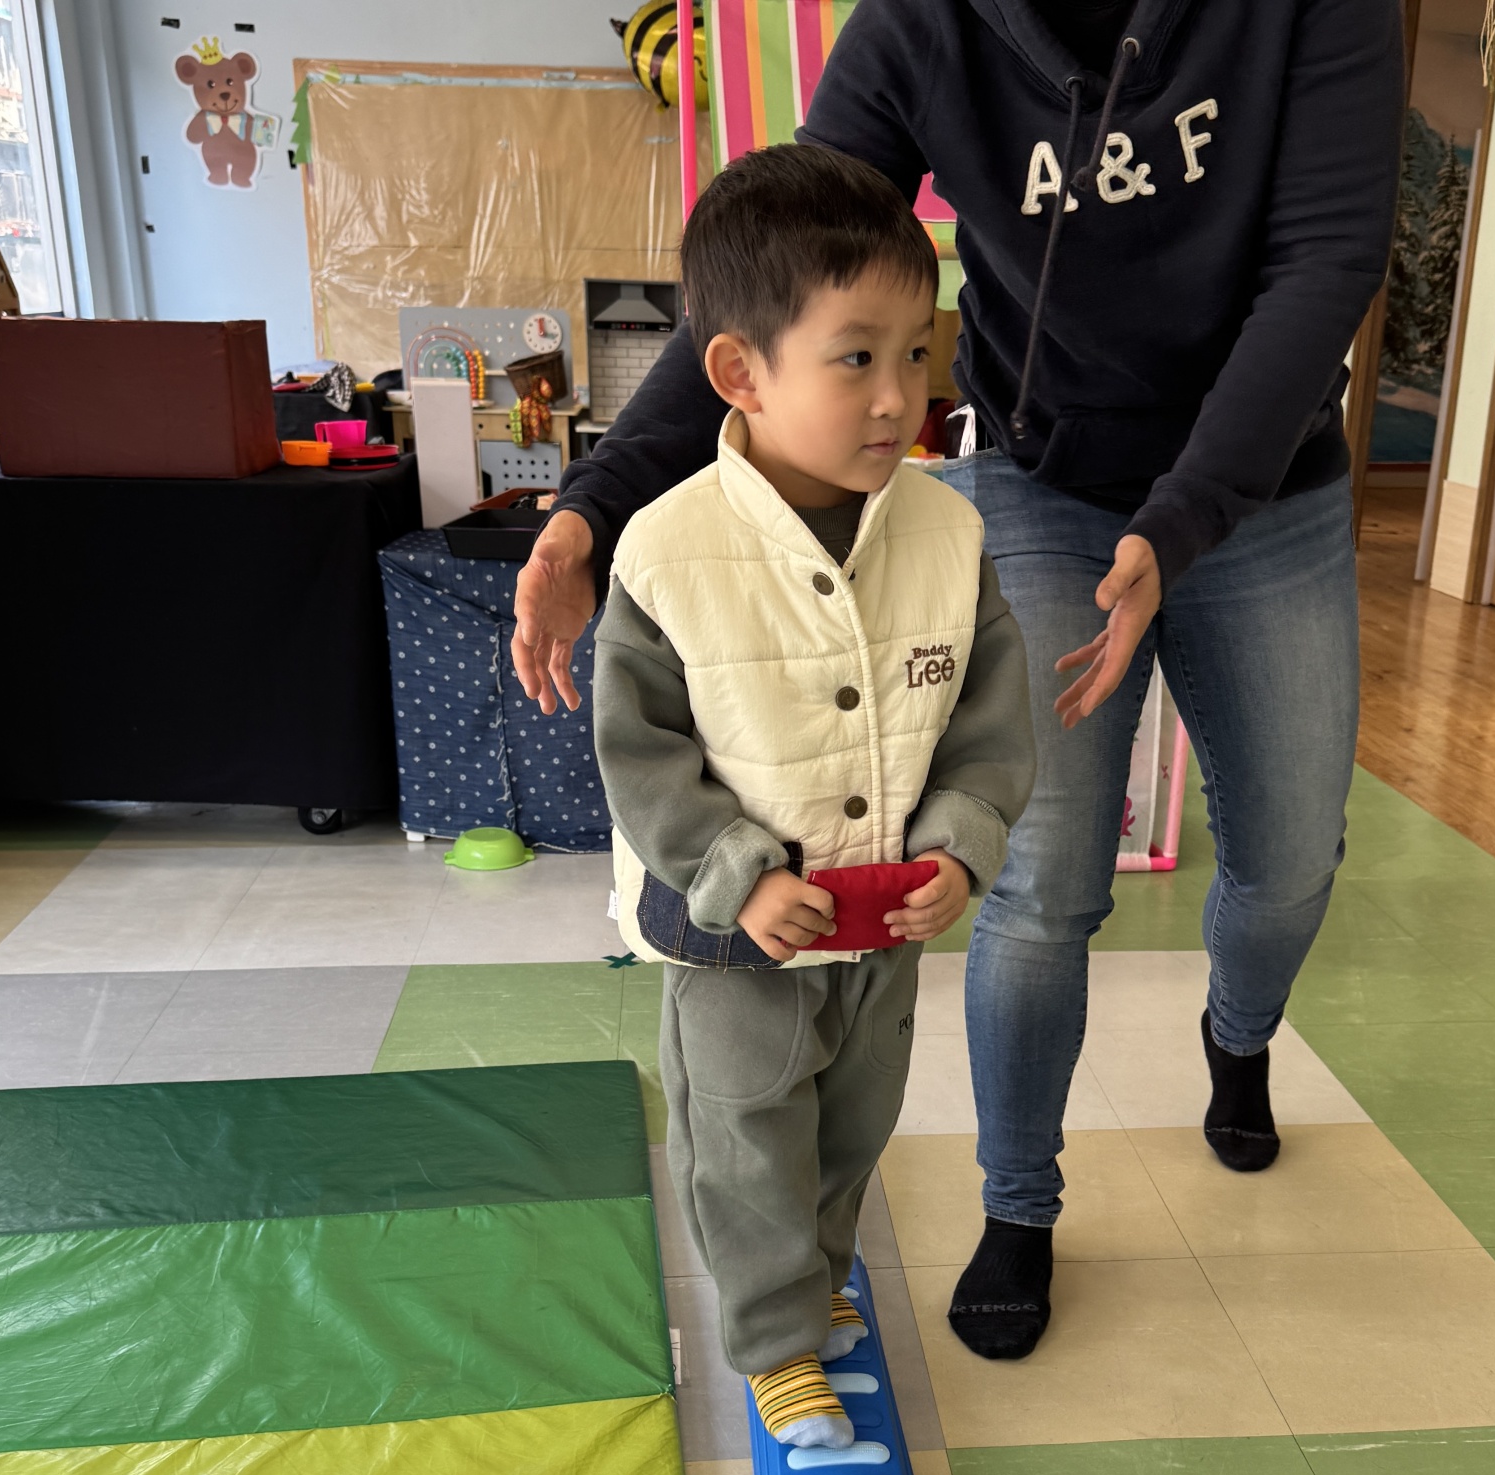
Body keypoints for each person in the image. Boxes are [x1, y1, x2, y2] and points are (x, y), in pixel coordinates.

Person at [517, 0, 1403, 1365]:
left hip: (1262, 482)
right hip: (1044, 473)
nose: (888, 387)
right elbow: (776, 280)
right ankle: (1020, 1203)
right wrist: (592, 507)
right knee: (1042, 885)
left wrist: (1180, 521)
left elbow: (1327, 259)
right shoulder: (926, 24)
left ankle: (1241, 1032)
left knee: (1289, 861)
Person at [590, 144, 1035, 1448]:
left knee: (851, 1125)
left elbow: (989, 724)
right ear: (741, 372)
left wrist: (959, 849)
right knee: (745, 1139)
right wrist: (735, 873)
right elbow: (638, 750)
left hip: (880, 923)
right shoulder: (669, 550)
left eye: (918, 353)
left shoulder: (948, 535)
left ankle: (817, 1279)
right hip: (735, 935)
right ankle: (774, 1338)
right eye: (856, 358)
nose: (900, 397)